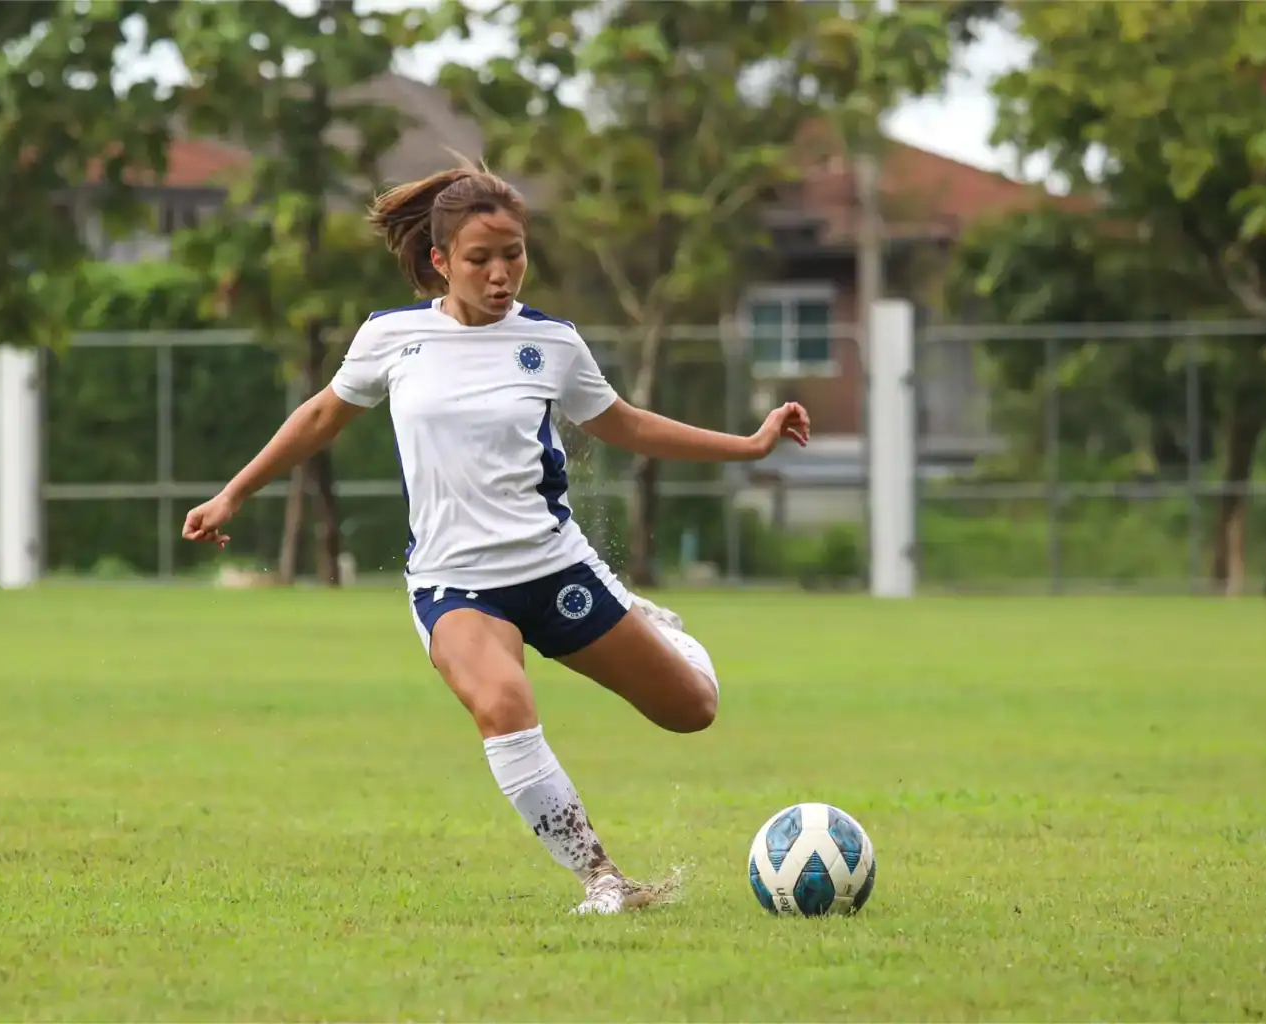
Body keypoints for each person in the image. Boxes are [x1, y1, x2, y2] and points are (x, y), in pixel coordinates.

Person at [182, 163, 810, 916]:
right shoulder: (392, 337)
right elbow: (320, 416)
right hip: (456, 585)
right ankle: (604, 880)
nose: (501, 272)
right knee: (502, 702)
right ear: (441, 261)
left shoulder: (552, 343)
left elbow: (626, 424)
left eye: (513, 253)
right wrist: (232, 494)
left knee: (693, 710)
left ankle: (644, 618)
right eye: (480, 258)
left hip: (554, 568)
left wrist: (749, 445)